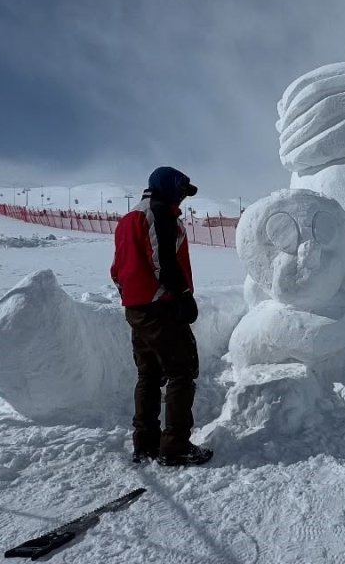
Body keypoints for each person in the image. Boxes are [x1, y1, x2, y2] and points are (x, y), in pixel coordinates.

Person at [111, 166, 212, 467]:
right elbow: (162, 261)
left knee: (149, 375)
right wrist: (182, 296)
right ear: (168, 187)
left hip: (137, 310)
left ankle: (145, 443)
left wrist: (131, 297)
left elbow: (117, 270)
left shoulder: (127, 220)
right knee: (182, 372)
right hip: (161, 309)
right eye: (181, 189)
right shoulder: (157, 215)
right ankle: (176, 446)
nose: (183, 196)